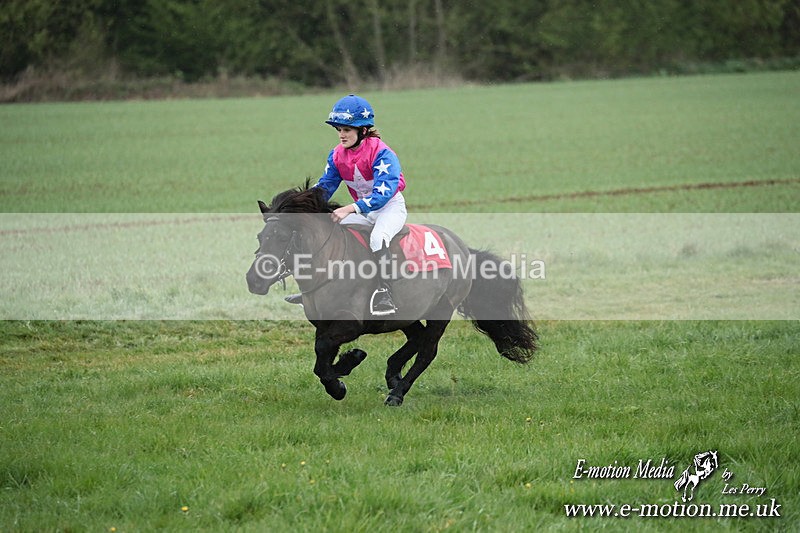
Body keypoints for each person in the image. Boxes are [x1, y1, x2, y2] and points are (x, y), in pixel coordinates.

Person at [285, 94, 407, 316]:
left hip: (389, 208)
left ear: (362, 130)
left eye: (347, 130)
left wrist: (349, 208)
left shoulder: (382, 154)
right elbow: (324, 188)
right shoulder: (337, 155)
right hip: (363, 210)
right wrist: (297, 206)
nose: (341, 135)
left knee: (378, 238)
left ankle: (385, 293)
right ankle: (315, 290)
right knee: (327, 230)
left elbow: (384, 194)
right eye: (339, 130)